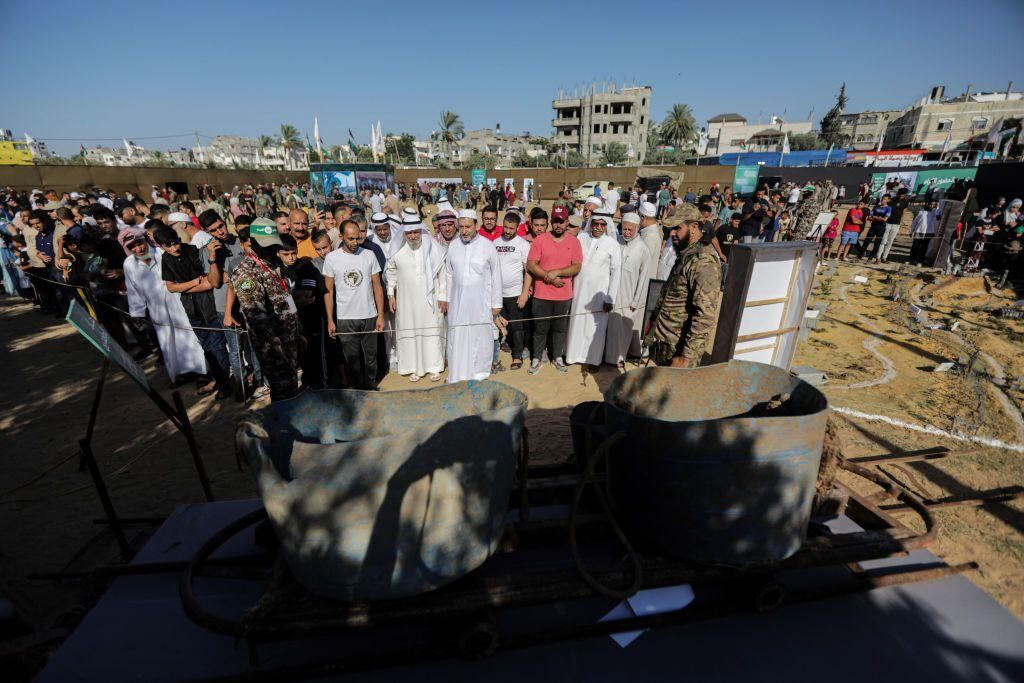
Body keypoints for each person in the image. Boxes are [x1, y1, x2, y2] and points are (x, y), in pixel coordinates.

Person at [154, 225, 233, 398]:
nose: (174, 248)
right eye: (169, 245)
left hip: (209, 305)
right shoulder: (166, 258)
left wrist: (183, 287)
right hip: (192, 310)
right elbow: (171, 287)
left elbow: (210, 283)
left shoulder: (193, 251)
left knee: (218, 346)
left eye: (175, 243)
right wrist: (194, 282)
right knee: (207, 348)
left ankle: (224, 385)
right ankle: (220, 380)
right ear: (161, 247)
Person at [121, 226, 206, 383]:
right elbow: (133, 290)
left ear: (146, 240)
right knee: (169, 341)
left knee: (190, 335)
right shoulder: (129, 264)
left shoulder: (162, 253)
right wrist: (137, 313)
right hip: (157, 310)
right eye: (132, 247)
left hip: (179, 302)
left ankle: (203, 372)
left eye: (139, 243)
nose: (138, 249)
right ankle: (183, 373)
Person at [645, 205, 722, 367]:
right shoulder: (687, 254)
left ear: (693, 227)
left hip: (679, 351)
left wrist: (686, 357)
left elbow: (704, 316)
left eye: (677, 228)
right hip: (666, 344)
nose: (672, 233)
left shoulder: (703, 263)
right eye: (670, 229)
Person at [439, 209, 502, 383]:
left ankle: (479, 375)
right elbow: (449, 274)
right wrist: (447, 298)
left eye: (468, 227)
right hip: (458, 303)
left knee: (479, 338)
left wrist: (496, 303)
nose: (464, 231)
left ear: (476, 225)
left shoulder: (487, 246)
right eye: (461, 227)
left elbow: (496, 275)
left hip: (480, 303)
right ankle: (457, 375)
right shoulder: (454, 246)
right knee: (458, 337)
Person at [324, 220, 386, 390]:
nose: (355, 242)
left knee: (371, 358)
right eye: (350, 238)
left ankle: (371, 387)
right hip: (345, 318)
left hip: (369, 315)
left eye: (357, 238)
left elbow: (377, 286)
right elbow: (328, 291)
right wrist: (330, 320)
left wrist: (380, 315)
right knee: (352, 359)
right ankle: (358, 390)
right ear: (340, 236)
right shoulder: (331, 258)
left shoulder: (369, 255)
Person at [385, 213, 446, 382]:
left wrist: (443, 295)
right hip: (406, 302)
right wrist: (390, 294)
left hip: (430, 301)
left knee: (431, 330)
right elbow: (391, 273)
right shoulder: (397, 251)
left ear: (421, 231)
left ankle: (434, 366)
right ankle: (412, 367)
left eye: (416, 232)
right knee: (409, 330)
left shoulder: (433, 249)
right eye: (409, 233)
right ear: (404, 233)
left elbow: (442, 274)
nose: (413, 236)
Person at [527, 204, 583, 374]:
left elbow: (576, 266)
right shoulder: (540, 240)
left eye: (562, 221)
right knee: (540, 328)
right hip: (541, 294)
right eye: (556, 221)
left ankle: (557, 357)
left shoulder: (574, 242)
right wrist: (549, 276)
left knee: (560, 328)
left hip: (563, 295)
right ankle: (537, 357)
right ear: (551, 222)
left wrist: (557, 272)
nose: (558, 225)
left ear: (567, 222)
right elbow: (531, 265)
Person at [566, 210, 621, 367]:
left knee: (595, 327)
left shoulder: (612, 245)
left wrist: (610, 299)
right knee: (576, 322)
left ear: (606, 226)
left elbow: (616, 272)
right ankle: (571, 356)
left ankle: (593, 360)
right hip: (578, 290)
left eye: (602, 225)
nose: (598, 227)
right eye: (595, 224)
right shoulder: (581, 238)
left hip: (599, 294)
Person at [604, 213, 651, 368]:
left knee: (623, 329)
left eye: (630, 230)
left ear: (637, 229)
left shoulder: (643, 249)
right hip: (612, 295)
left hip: (628, 298)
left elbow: (643, 279)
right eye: (624, 229)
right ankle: (607, 357)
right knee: (610, 327)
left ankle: (619, 358)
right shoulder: (616, 242)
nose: (627, 232)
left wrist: (635, 301)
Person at [494, 210, 533, 370]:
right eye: (506, 227)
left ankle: (517, 356)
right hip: (497, 294)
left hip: (515, 293)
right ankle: (496, 355)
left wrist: (524, 293)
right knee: (500, 326)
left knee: (517, 326)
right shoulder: (495, 243)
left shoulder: (523, 244)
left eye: (511, 228)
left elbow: (528, 271)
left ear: (517, 228)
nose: (508, 231)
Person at [878, 189, 909, 263]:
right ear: (898, 193)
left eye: (903, 195)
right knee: (883, 241)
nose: (901, 196)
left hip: (896, 224)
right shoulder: (892, 200)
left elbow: (904, 211)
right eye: (900, 194)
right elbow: (885, 208)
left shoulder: (905, 201)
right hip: (888, 222)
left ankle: (884, 257)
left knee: (890, 242)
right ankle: (878, 257)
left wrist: (901, 221)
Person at [860, 194, 893, 262]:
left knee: (877, 243)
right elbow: (869, 217)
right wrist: (878, 218)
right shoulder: (876, 207)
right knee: (867, 241)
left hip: (881, 227)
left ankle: (870, 258)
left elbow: (885, 219)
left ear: (888, 200)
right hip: (873, 226)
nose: (883, 200)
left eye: (885, 199)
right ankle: (859, 256)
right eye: (882, 198)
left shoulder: (888, 208)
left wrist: (875, 217)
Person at [638, 202, 663, 281]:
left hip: (644, 280)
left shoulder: (650, 236)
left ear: (643, 217)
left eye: (638, 215)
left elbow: (642, 263)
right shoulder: (649, 232)